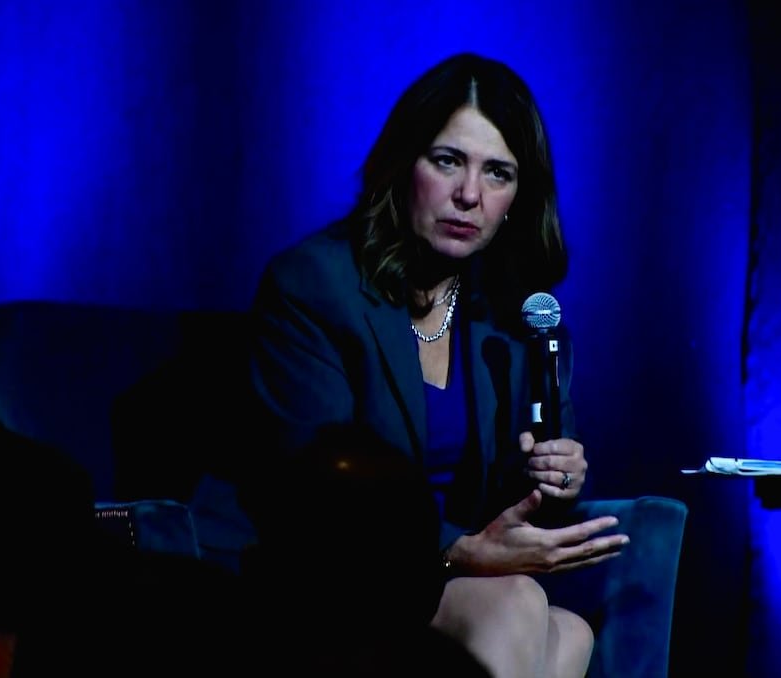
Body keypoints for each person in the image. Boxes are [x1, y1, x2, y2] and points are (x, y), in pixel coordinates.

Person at [246, 52, 633, 678]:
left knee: (569, 633)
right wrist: (458, 551)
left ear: (517, 196)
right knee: (516, 606)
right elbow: (314, 494)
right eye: (448, 160)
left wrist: (555, 480)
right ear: (405, 164)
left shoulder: (517, 319)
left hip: (461, 583)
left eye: (498, 173)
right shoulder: (313, 285)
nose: (469, 195)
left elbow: (517, 504)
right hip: (330, 582)